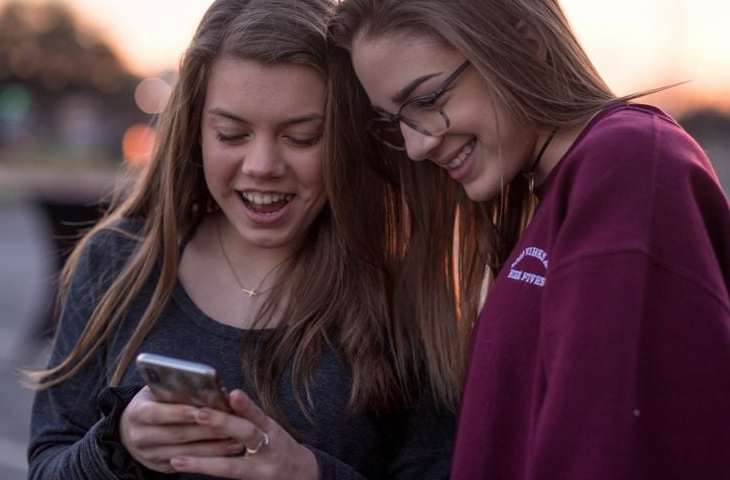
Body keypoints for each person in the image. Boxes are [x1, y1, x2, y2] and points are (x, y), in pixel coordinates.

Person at [25, 0, 462, 479]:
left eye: (301, 137)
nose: (261, 165)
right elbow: (47, 465)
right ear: (195, 132)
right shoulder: (117, 264)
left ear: (349, 138)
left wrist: (307, 474)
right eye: (231, 134)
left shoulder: (403, 294)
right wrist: (118, 444)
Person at [326, 0, 730, 479]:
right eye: (395, 120)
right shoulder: (556, 195)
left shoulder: (626, 166)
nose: (416, 147)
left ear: (525, 43)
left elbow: (610, 451)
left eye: (429, 100)